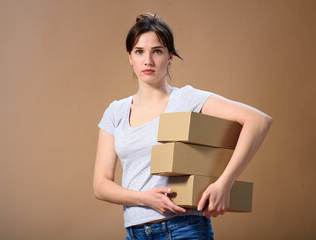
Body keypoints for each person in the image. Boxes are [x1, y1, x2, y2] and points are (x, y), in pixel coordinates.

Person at [93, 13, 273, 240]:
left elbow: (258, 120)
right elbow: (100, 185)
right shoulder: (115, 112)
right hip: (136, 233)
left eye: (157, 51)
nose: (148, 60)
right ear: (130, 57)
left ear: (170, 57)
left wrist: (225, 183)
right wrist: (145, 198)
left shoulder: (186, 99)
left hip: (183, 228)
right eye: (140, 51)